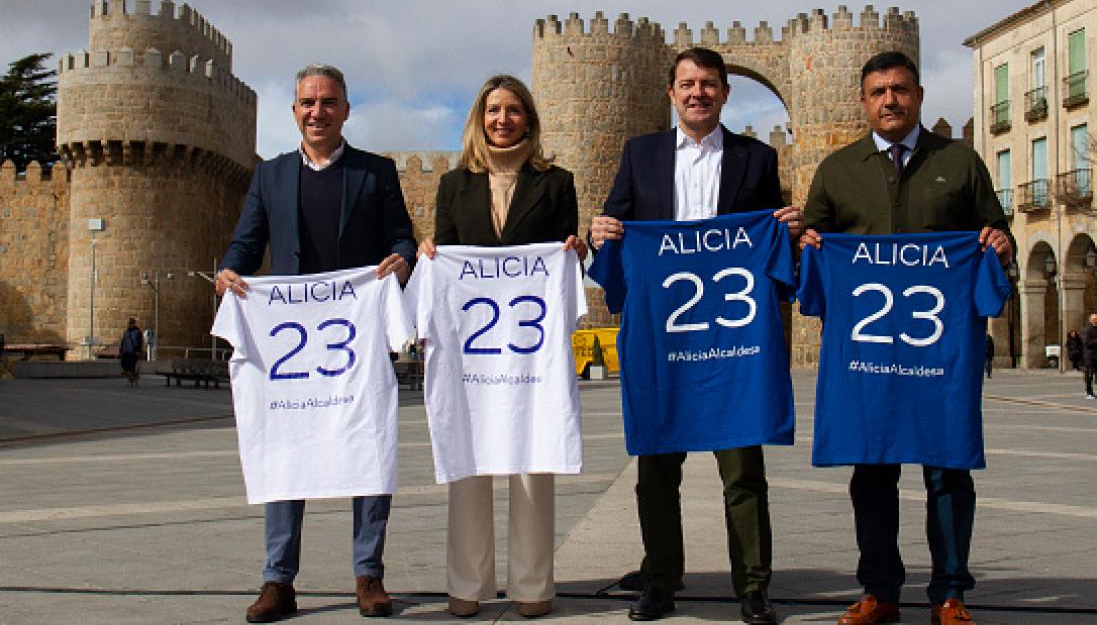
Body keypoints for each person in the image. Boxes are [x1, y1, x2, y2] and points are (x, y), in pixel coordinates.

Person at [800, 51, 1013, 625]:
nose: (889, 100)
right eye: (878, 92)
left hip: (940, 350)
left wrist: (999, 244)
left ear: (918, 96)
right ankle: (880, 592)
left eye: (899, 89)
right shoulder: (837, 170)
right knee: (871, 470)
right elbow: (813, 244)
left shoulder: (961, 162)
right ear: (863, 101)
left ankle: (950, 593)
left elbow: (996, 231)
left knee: (948, 469)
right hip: (867, 353)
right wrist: (810, 246)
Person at [589, 47, 801, 624]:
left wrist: (785, 230)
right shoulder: (641, 155)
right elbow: (614, 223)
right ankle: (660, 582)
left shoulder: (756, 158)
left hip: (733, 344)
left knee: (744, 471)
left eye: (708, 83)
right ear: (671, 93)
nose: (698, 93)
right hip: (665, 341)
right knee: (657, 469)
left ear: (725, 92)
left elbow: (769, 240)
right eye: (687, 84)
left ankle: (753, 588)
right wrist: (599, 229)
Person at [215, 63, 416, 622]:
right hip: (291, 344)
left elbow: (402, 236)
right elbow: (246, 243)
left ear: (345, 110)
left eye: (328, 102)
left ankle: (369, 574)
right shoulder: (270, 176)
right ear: (294, 111)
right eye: (308, 102)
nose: (317, 112)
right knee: (284, 452)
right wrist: (229, 271)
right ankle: (278, 580)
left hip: (356, 338)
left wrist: (400, 260)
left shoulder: (376, 173)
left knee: (369, 448)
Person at [416, 74, 587, 619]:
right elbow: (446, 256)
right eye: (493, 110)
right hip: (472, 351)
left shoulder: (556, 183)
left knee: (533, 460)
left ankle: (533, 586)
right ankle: (466, 583)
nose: (502, 119)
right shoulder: (453, 186)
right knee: (468, 461)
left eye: (513, 110)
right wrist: (432, 255)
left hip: (530, 351)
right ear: (479, 118)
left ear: (528, 119)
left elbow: (564, 259)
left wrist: (574, 252)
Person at [118, 317, 144, 387]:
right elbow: (123, 341)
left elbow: (140, 342)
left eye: (131, 323)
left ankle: (132, 380)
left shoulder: (137, 332)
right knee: (123, 364)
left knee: (131, 367)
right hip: (126, 351)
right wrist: (121, 350)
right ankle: (132, 377)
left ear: (134, 324)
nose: (129, 325)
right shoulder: (126, 332)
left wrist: (139, 351)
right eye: (129, 323)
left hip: (133, 352)